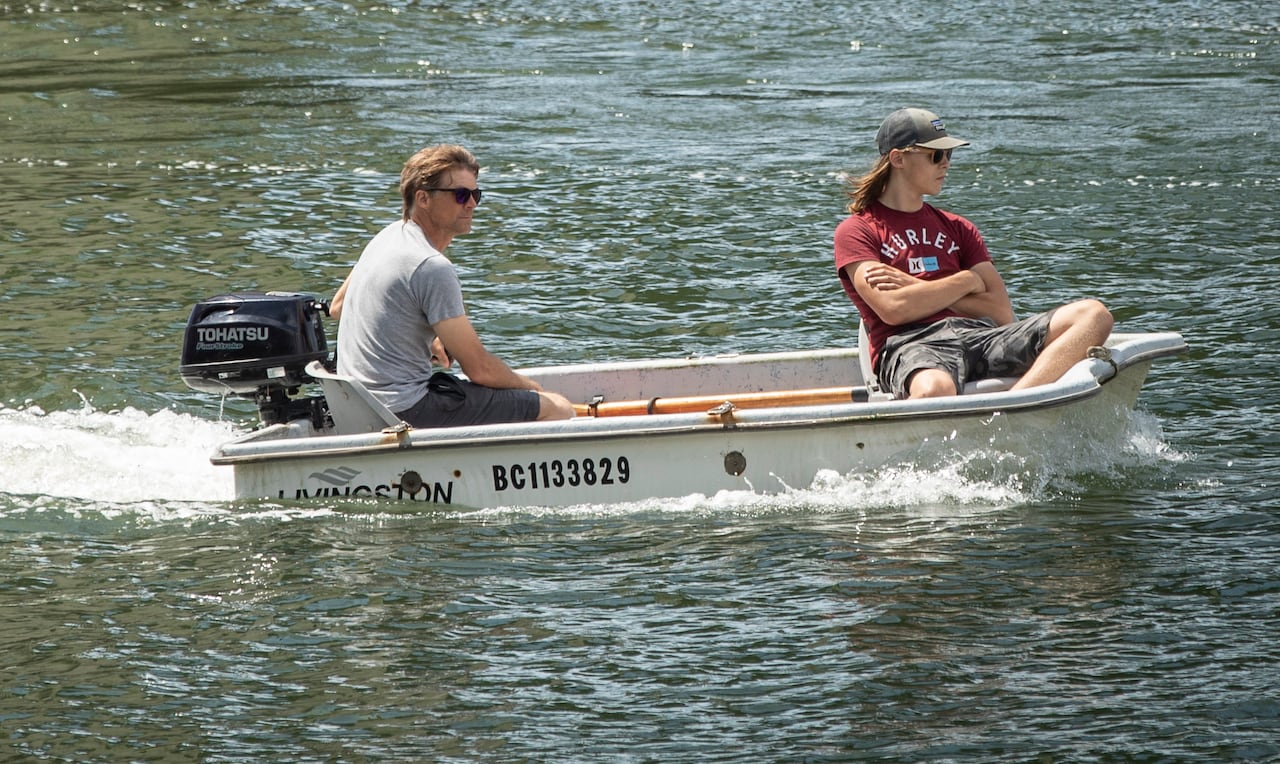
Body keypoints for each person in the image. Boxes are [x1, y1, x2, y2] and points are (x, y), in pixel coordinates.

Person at [834, 107, 1114, 399]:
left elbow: (1001, 311)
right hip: (912, 345)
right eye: (936, 155)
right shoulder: (856, 231)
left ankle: (1012, 411)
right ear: (898, 158)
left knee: (1094, 315)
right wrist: (967, 282)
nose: (946, 165)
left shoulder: (959, 228)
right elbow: (895, 310)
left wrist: (916, 287)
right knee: (933, 389)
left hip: (979, 337)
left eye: (949, 155)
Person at [334, 144, 574, 427]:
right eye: (460, 195)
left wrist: (427, 339)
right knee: (557, 408)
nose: (471, 204)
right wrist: (532, 388)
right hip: (404, 411)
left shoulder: (386, 238)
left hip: (359, 408)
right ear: (423, 198)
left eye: (476, 194)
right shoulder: (431, 266)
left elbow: (338, 307)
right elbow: (480, 369)